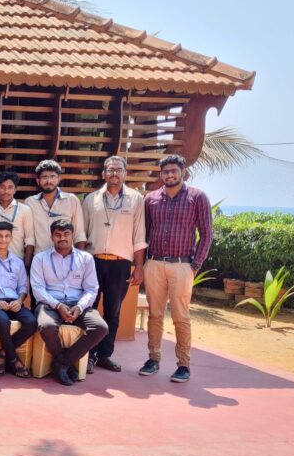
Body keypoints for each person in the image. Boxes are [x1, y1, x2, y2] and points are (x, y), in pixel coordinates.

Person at [140, 154, 213, 383]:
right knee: (155, 315)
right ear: (161, 174)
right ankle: (153, 359)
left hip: (182, 265)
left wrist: (195, 265)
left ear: (183, 172)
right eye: (166, 171)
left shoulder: (197, 197)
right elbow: (144, 233)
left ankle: (183, 364)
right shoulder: (151, 199)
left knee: (181, 316)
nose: (170, 175)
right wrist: (143, 263)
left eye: (174, 171)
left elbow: (207, 234)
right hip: (155, 263)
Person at [82, 155, 146, 373]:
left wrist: (139, 267)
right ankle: (88, 355)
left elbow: (139, 236)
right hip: (93, 262)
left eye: (119, 169)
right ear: (103, 174)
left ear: (125, 174)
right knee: (89, 308)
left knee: (113, 310)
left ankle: (105, 355)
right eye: (110, 170)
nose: (114, 173)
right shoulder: (91, 199)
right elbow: (82, 234)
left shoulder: (136, 199)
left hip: (120, 264)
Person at [30, 219, 108, 386]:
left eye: (66, 234)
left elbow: (91, 289)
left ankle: (62, 363)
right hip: (49, 303)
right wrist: (58, 306)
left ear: (73, 236)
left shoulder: (86, 258)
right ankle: (66, 364)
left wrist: (79, 307)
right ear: (51, 237)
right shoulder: (40, 258)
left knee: (101, 327)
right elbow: (37, 289)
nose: (62, 238)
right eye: (58, 235)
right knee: (46, 326)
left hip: (78, 304)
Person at [0, 222, 35, 377]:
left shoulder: (17, 262)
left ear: (11, 238)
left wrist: (19, 301)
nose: (3, 239)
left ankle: (3, 354)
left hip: (13, 301)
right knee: (3, 321)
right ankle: (14, 360)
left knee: (32, 322)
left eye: (7, 236)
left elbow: (23, 287)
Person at [25, 159, 86, 254]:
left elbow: (79, 234)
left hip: (66, 257)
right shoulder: (30, 202)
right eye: (44, 177)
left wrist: (80, 259)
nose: (48, 181)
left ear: (59, 179)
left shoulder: (71, 200)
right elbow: (29, 238)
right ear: (38, 181)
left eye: (53, 177)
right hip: (40, 258)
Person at [0, 170, 35, 265]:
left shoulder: (25, 210)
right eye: (2, 187)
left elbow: (30, 240)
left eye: (10, 187)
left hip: (17, 263)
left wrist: (26, 266)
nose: (6, 191)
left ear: (15, 190)